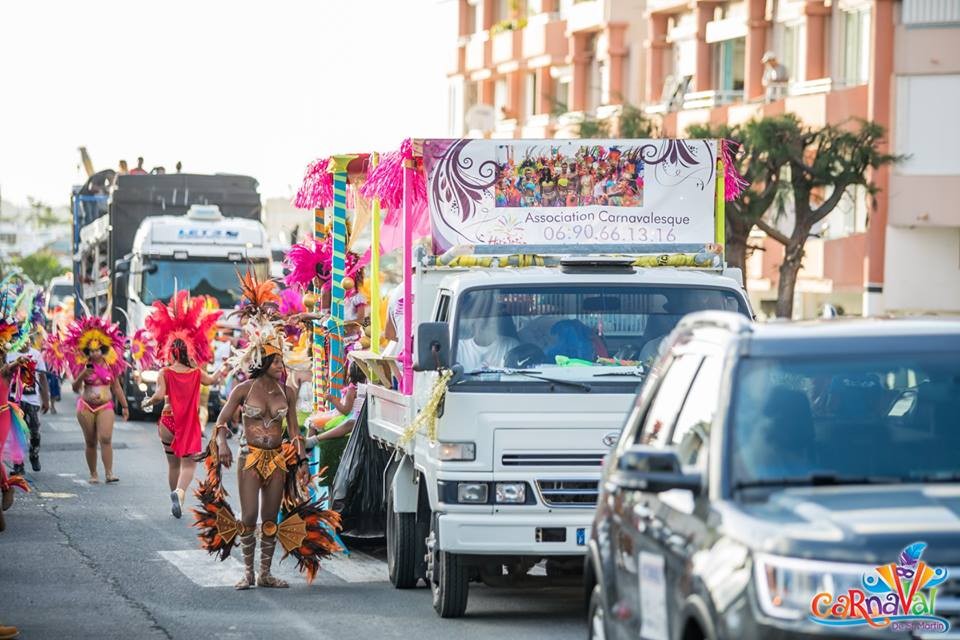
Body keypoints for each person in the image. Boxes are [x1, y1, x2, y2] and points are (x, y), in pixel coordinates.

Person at [140, 290, 225, 517]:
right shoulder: (196, 373)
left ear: (171, 353)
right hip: (188, 424)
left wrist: (148, 401)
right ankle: (179, 492)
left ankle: (173, 497)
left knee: (173, 465)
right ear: (187, 352)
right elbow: (213, 379)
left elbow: (159, 396)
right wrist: (225, 367)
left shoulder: (164, 372)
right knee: (189, 465)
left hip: (167, 422)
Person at [64, 316, 129, 484]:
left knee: (106, 439)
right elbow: (75, 387)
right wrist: (82, 375)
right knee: (91, 441)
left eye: (98, 349)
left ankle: (109, 473)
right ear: (87, 351)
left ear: (103, 349)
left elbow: (116, 388)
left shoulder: (111, 365)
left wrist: (125, 406)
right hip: (86, 407)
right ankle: (93, 473)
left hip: (105, 406)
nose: (95, 353)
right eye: (91, 350)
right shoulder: (83, 365)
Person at [5, 342, 50, 473]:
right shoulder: (10, 354)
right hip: (14, 400)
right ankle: (18, 464)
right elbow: (5, 376)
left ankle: (34, 454)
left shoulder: (36, 354)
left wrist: (46, 399)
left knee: (34, 431)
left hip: (33, 400)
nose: (25, 342)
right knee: (17, 432)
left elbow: (43, 377)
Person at [306, 362, 366, 443]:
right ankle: (308, 443)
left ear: (349, 373)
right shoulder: (363, 388)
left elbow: (346, 411)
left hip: (346, 416)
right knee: (314, 423)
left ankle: (308, 445)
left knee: (313, 423)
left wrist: (332, 399)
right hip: (352, 415)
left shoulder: (352, 390)